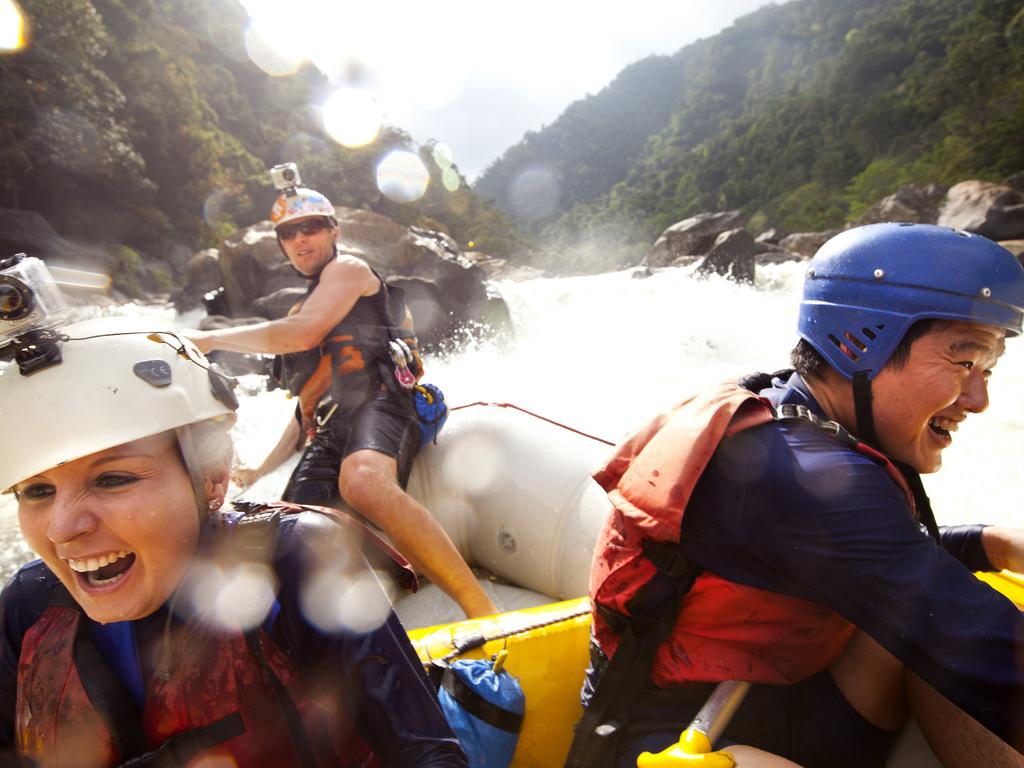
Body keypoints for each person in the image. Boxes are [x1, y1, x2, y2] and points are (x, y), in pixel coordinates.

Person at [571, 223, 1024, 768]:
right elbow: (988, 649)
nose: (979, 400)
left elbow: (884, 560)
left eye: (989, 368)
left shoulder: (788, 405)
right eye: (964, 361)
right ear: (863, 341)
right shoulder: (800, 474)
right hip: (674, 744)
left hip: (777, 702)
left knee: (915, 635)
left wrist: (988, 542)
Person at [0, 317, 468, 767]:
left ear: (213, 480)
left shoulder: (294, 559)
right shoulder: (29, 605)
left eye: (113, 479)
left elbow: (425, 752)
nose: (62, 529)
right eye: (36, 490)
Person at [185, 182, 497, 620]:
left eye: (311, 227)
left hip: (384, 403)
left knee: (363, 481)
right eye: (289, 234)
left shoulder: (349, 272)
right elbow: (305, 410)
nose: (300, 239)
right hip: (334, 426)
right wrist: (260, 469)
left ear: (334, 232)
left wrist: (212, 337)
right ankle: (378, 596)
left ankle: (482, 610)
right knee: (288, 528)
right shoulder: (304, 307)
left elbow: (302, 335)